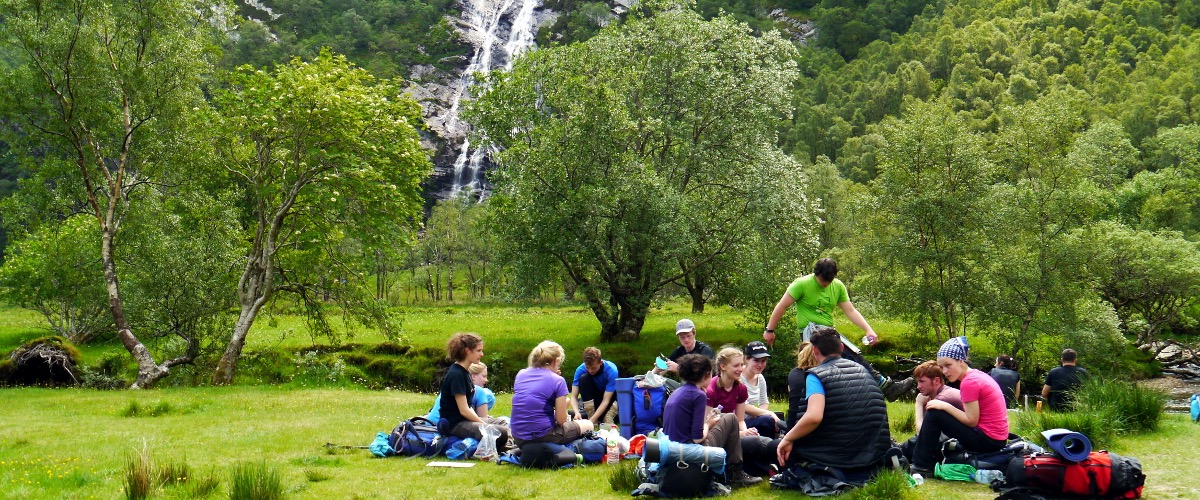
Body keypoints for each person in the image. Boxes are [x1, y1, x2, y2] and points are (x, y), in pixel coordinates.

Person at [762, 258, 914, 401]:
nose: (826, 284)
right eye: (823, 281)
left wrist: (868, 329)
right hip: (811, 334)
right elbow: (782, 306)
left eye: (829, 281)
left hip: (828, 331)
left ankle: (873, 391)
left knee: (849, 359)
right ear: (816, 274)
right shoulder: (801, 284)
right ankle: (884, 385)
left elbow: (850, 311)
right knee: (840, 356)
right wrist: (770, 330)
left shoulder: (838, 286)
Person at [775, 326, 892, 470]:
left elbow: (813, 417)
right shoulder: (864, 371)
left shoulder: (815, 376)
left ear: (815, 350)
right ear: (842, 347)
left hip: (835, 457)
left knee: (768, 447)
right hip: (873, 454)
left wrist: (788, 438)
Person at [909, 336, 1008, 476]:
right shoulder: (976, 376)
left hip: (989, 440)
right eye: (941, 367)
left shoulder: (969, 382)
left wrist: (944, 406)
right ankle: (924, 459)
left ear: (961, 361)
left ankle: (921, 466)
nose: (944, 371)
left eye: (948, 365)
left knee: (935, 413)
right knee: (937, 412)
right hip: (997, 439)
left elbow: (972, 420)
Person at [662, 354, 763, 487]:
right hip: (691, 448)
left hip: (673, 445)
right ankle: (735, 472)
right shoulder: (698, 395)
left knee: (723, 418)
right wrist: (708, 423)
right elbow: (697, 438)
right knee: (731, 418)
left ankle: (731, 471)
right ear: (706, 375)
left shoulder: (678, 391)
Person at [510, 340, 595, 445]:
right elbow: (560, 420)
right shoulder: (558, 381)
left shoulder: (521, 374)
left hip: (518, 436)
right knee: (588, 424)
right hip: (542, 436)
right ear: (556, 360)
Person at [439, 333, 511, 450]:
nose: (482, 354)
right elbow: (464, 410)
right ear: (467, 351)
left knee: (503, 422)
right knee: (501, 432)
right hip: (456, 424)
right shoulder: (456, 374)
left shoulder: (465, 372)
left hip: (466, 420)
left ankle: (507, 445)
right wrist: (484, 424)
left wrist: (487, 420)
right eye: (479, 351)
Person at [706, 346, 757, 437]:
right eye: (736, 365)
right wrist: (741, 434)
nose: (740, 369)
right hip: (714, 434)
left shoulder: (741, 388)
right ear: (723, 366)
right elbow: (707, 424)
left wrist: (747, 433)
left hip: (732, 430)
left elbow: (740, 420)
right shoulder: (710, 390)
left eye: (742, 365)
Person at [740, 341, 786, 438]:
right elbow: (743, 406)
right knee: (768, 420)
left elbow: (764, 402)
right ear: (747, 359)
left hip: (753, 419)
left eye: (763, 361)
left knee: (780, 422)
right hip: (738, 422)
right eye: (756, 360)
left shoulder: (760, 377)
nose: (760, 365)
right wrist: (768, 413)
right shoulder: (739, 377)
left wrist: (762, 414)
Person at [427, 362, 495, 422]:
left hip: (430, 422)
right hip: (447, 424)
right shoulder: (479, 391)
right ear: (473, 376)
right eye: (484, 376)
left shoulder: (452, 386)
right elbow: (482, 421)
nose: (486, 380)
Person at [568, 347, 619, 424]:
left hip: (609, 398)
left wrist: (591, 421)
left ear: (600, 363)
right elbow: (574, 396)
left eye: (593, 368)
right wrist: (576, 412)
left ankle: (601, 416)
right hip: (593, 398)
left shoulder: (611, 370)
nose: (590, 371)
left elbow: (606, 400)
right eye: (587, 368)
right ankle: (590, 415)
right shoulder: (580, 369)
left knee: (603, 418)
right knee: (583, 378)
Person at [912, 361, 963, 434]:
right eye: (917, 382)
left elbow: (923, 434)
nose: (918, 386)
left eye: (922, 381)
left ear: (936, 381)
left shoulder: (942, 400)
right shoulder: (944, 391)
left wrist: (919, 405)